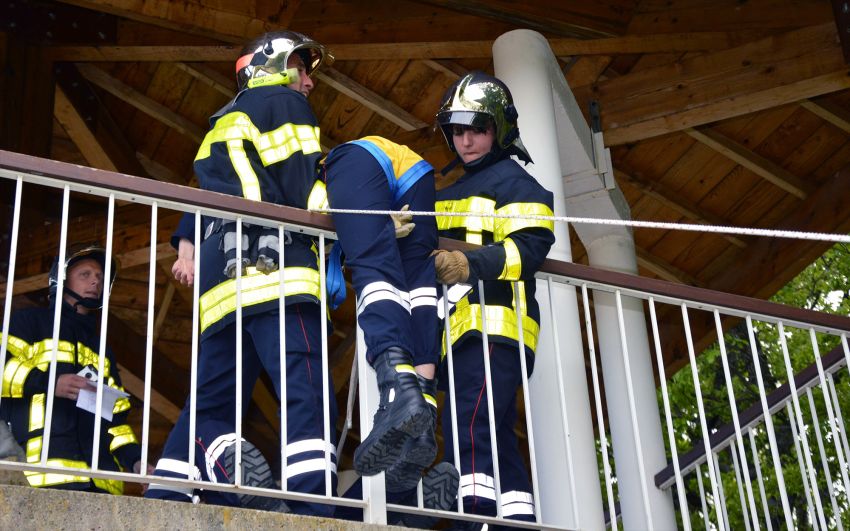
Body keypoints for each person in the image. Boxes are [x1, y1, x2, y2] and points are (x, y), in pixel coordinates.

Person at [145, 31, 337, 516]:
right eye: (301, 68)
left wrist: (187, 249)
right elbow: (304, 190)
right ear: (273, 67)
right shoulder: (286, 106)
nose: (309, 82)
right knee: (304, 387)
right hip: (280, 272)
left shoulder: (221, 122)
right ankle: (311, 502)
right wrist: (352, 222)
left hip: (221, 285)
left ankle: (169, 492)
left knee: (211, 398)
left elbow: (204, 202)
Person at [432, 71, 555, 527]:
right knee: (497, 435)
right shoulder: (443, 194)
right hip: (458, 331)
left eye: (477, 129)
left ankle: (472, 518)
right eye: (456, 130)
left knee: (470, 425)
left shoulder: (518, 184)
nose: (465, 141)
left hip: (497, 326)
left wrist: (468, 264)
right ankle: (518, 519)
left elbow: (529, 249)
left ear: (499, 129)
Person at [321, 136, 459, 516]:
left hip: (358, 158)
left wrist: (370, 229)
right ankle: (423, 405)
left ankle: (397, 389)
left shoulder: (327, 168)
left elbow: (318, 214)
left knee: (374, 269)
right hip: (414, 170)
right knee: (419, 284)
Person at [0, 242, 151, 494]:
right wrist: (51, 383)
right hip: (43, 477)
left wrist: (136, 461)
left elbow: (115, 420)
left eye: (100, 277)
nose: (95, 281)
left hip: (101, 484)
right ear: (61, 279)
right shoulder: (28, 322)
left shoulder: (102, 349)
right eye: (85, 274)